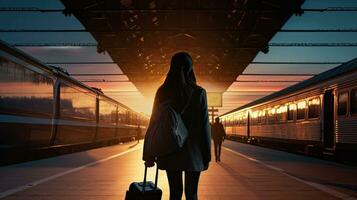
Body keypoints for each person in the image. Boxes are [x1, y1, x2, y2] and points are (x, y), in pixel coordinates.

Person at [143, 52, 211, 200]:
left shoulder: (163, 92)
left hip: (170, 150)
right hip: (194, 152)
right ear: (190, 69)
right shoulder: (199, 93)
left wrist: (148, 154)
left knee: (175, 192)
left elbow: (153, 123)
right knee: (192, 193)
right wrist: (207, 155)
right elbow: (204, 127)